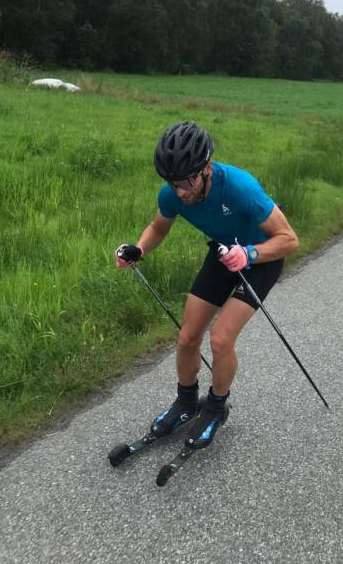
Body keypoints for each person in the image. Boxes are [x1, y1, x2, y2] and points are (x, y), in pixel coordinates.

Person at [115, 120, 299, 449]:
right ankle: (186, 404)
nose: (181, 191)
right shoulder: (172, 193)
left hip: (260, 259)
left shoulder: (241, 187)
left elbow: (289, 240)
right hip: (223, 253)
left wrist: (251, 253)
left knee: (220, 338)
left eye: (187, 180)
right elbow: (157, 227)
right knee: (187, 338)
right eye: (173, 182)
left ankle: (215, 408)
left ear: (207, 168)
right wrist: (138, 249)